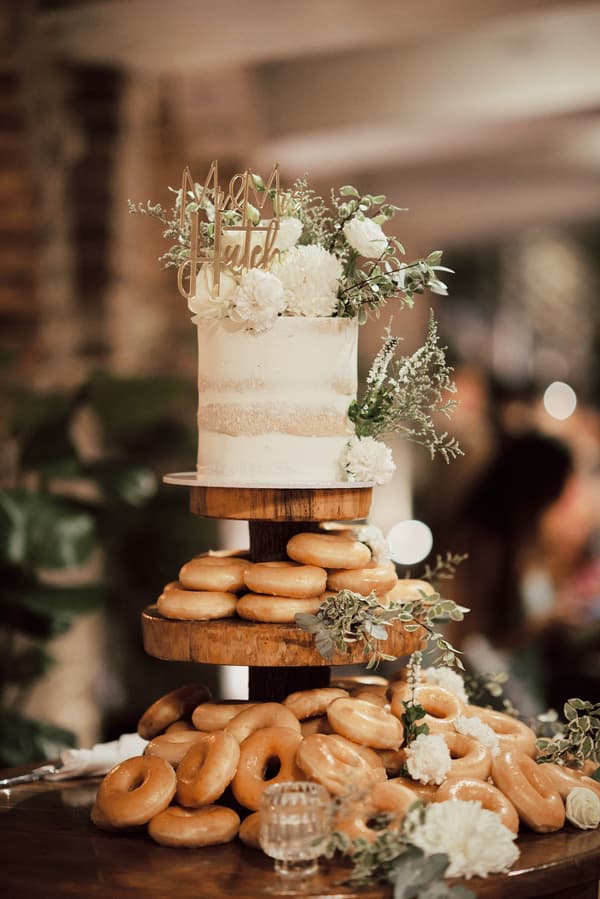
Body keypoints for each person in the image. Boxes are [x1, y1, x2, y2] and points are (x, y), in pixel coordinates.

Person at [441, 431, 593, 714]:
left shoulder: (524, 540)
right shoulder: (484, 545)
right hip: (493, 703)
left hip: (523, 691)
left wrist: (552, 616)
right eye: (564, 490)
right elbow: (472, 644)